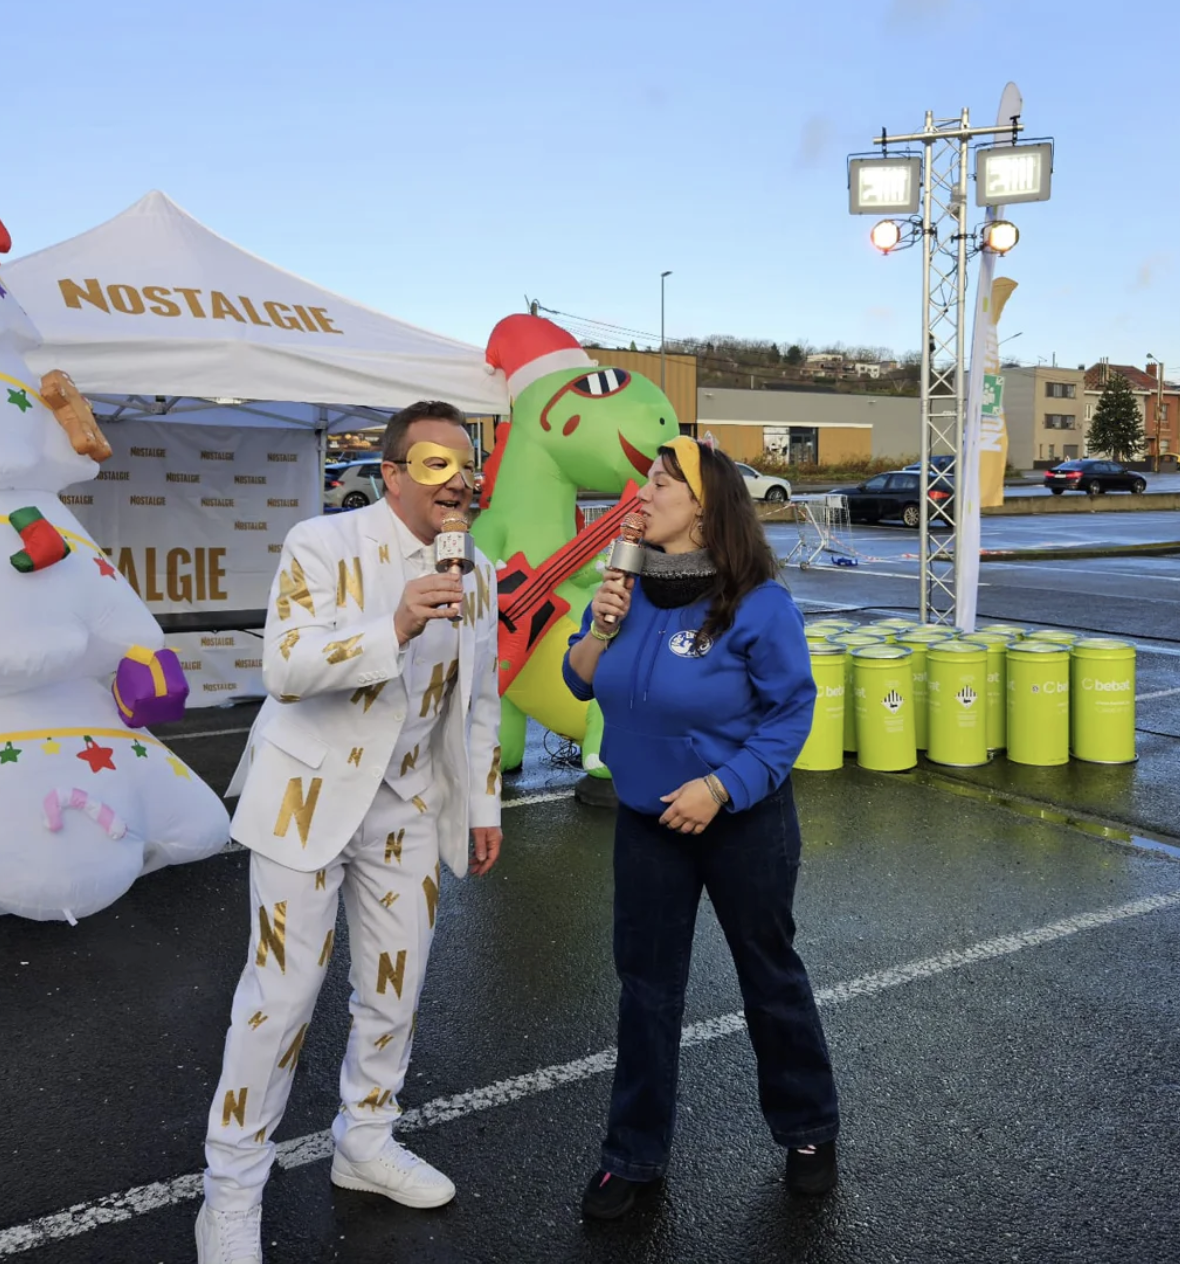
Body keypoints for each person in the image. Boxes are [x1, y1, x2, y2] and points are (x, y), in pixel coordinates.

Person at [197, 401, 504, 1264]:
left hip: (407, 807)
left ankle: (365, 1143)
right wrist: (396, 622)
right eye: (438, 463)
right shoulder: (321, 545)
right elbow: (285, 668)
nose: (461, 478)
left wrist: (480, 805)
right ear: (395, 474)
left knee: (394, 991)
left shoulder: (474, 569)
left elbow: (477, 699)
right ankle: (231, 1191)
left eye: (468, 462)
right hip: (308, 799)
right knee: (281, 999)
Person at [562, 435, 839, 1220]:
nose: (642, 495)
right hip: (649, 823)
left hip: (740, 819)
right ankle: (633, 1156)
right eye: (646, 481)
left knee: (768, 975)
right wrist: (600, 628)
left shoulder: (758, 603)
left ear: (704, 511)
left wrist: (722, 787)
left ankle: (810, 1129)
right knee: (646, 991)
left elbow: (792, 715)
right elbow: (580, 681)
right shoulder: (623, 588)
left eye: (659, 483)